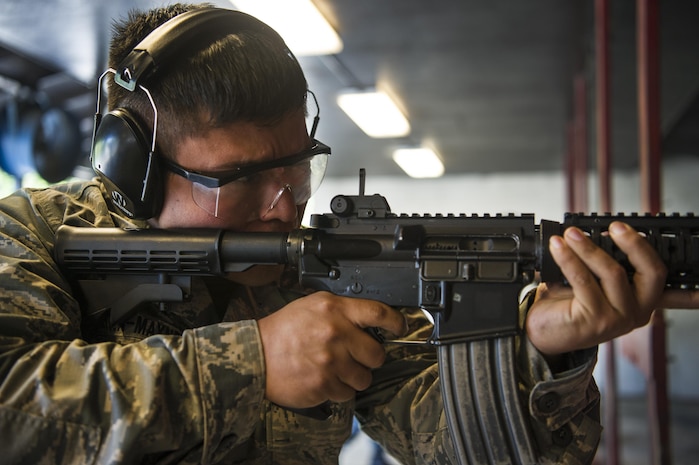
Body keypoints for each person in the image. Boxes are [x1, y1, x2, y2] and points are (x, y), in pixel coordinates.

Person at [0, 3, 696, 464]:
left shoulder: (318, 268)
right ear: (134, 169)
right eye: (239, 179)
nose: (281, 207)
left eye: (297, 170)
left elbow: (459, 439)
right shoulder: (28, 239)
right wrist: (253, 364)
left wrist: (542, 350)